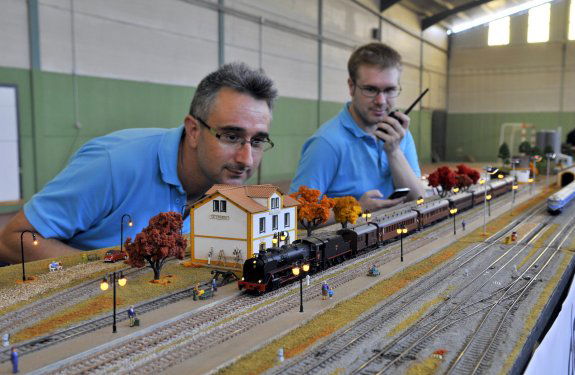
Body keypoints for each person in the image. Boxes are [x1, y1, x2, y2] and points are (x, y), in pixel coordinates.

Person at [0, 63, 277, 263]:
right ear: (193, 130)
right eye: (231, 136)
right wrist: (103, 273)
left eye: (257, 141)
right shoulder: (114, 165)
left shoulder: (223, 183)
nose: (246, 159)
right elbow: (15, 239)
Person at [290, 43, 424, 212]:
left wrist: (394, 151)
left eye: (390, 90)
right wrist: (356, 209)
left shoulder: (400, 134)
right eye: (370, 89)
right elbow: (297, 212)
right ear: (351, 87)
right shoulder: (327, 143)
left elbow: (419, 200)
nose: (381, 101)